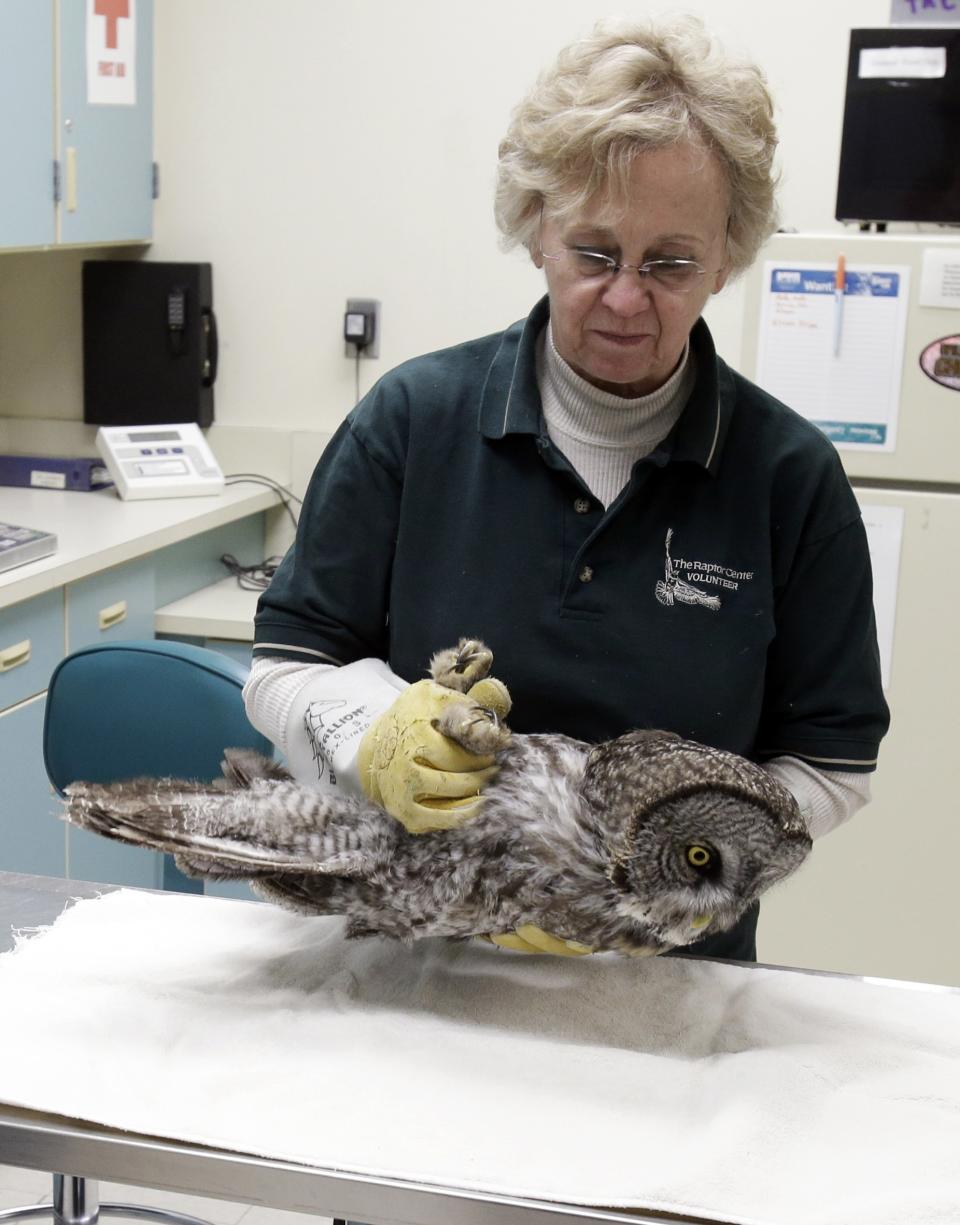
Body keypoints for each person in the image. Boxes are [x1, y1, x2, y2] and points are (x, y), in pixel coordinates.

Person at [245, 16, 889, 962]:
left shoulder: (787, 476)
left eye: (671, 263)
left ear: (727, 255)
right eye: (594, 253)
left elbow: (832, 763)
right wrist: (376, 733)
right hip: (416, 959)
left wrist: (665, 880)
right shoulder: (413, 421)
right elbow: (283, 668)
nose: (627, 298)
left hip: (667, 979)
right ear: (536, 229)